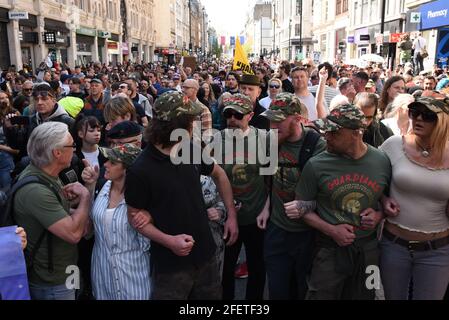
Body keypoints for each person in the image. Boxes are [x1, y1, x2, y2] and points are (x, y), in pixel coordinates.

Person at [124, 91, 238, 300]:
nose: (193, 125)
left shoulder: (191, 149)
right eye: (190, 120)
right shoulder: (140, 170)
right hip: (171, 267)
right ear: (176, 125)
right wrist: (169, 241)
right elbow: (134, 218)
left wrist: (231, 215)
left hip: (206, 256)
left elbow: (219, 175)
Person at [287, 104, 391, 300]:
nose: (327, 137)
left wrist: (379, 215)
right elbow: (301, 207)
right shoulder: (317, 164)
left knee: (366, 296)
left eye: (334, 132)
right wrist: (331, 230)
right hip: (328, 252)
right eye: (326, 131)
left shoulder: (382, 161)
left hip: (368, 252)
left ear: (356, 133)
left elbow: (388, 200)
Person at [380, 96, 449, 300]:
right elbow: (372, 180)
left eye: (427, 115)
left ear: (443, 120)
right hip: (393, 246)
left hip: (438, 250)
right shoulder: (393, 145)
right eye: (414, 112)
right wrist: (383, 200)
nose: (418, 118)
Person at [12, 122, 91, 300]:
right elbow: (74, 234)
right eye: (72, 145)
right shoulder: (36, 191)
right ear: (57, 153)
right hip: (53, 283)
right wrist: (85, 196)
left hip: (67, 270)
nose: (75, 149)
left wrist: (88, 188)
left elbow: (61, 214)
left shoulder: (49, 176)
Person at [260, 92, 326, 300]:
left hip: (306, 234)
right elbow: (271, 178)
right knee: (277, 290)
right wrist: (266, 206)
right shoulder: (272, 141)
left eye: (278, 121)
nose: (272, 126)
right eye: (270, 120)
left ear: (297, 119)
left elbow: (328, 194)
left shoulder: (318, 145)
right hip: (277, 229)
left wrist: (306, 205)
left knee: (302, 290)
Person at [217, 94, 269, 300]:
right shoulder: (216, 140)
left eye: (237, 115)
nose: (232, 119)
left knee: (257, 269)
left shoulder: (265, 140)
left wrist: (266, 209)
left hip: (255, 218)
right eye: (228, 114)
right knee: (225, 269)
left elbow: (270, 181)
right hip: (226, 217)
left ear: (250, 116)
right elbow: (211, 179)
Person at [83, 143, 151, 300]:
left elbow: (147, 244)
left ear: (127, 169)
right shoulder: (102, 187)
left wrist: (150, 216)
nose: (105, 164)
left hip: (134, 277)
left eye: (113, 162)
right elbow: (88, 227)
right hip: (103, 276)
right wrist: (90, 186)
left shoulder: (142, 195)